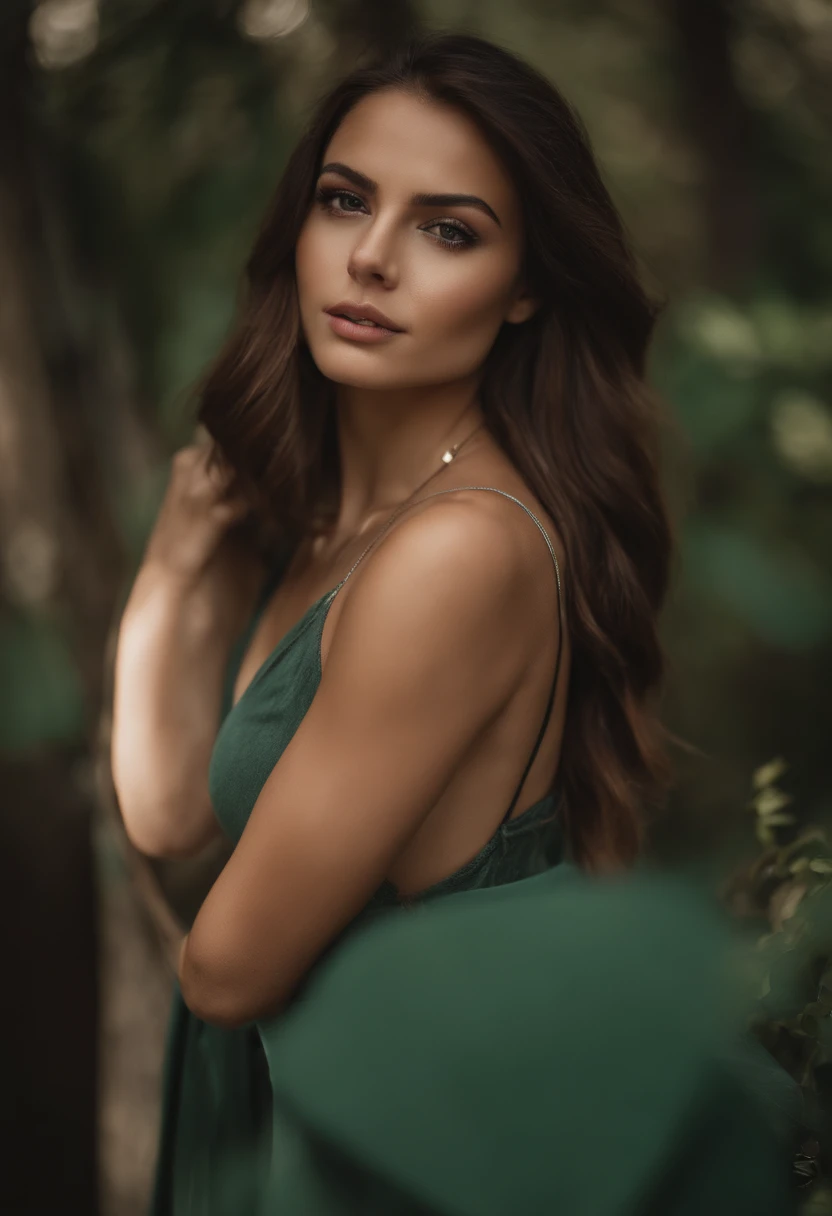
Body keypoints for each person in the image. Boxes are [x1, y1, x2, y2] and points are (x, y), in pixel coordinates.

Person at [111, 30, 798, 1216]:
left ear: (526, 283)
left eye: (447, 229)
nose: (371, 257)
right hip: (333, 1097)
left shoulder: (458, 550)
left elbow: (228, 965)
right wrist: (176, 570)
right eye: (345, 200)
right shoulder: (329, 522)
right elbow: (171, 813)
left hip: (431, 1142)